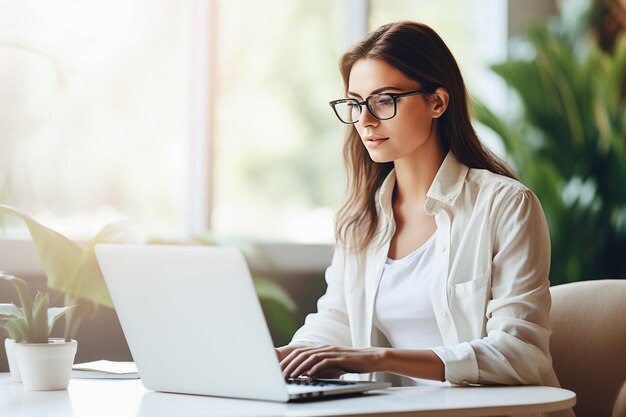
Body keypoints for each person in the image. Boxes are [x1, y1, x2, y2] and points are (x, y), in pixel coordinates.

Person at [275, 20, 566, 403]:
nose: (365, 120)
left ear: (438, 102)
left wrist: (378, 358)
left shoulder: (505, 205)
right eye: (355, 103)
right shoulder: (361, 218)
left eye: (383, 100)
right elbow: (337, 321)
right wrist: (283, 358)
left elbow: (520, 355)